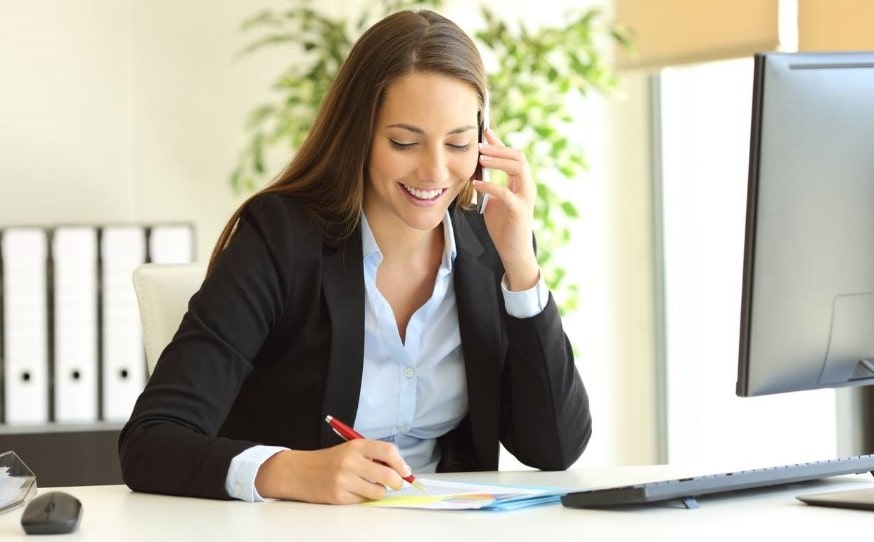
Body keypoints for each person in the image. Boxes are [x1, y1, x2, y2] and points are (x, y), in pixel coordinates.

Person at [118, 9, 591, 505]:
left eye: (458, 143)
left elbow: (555, 448)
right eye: (404, 142)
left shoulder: (492, 244)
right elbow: (151, 440)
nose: (434, 170)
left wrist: (521, 268)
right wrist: (289, 471)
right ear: (358, 134)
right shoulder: (281, 237)